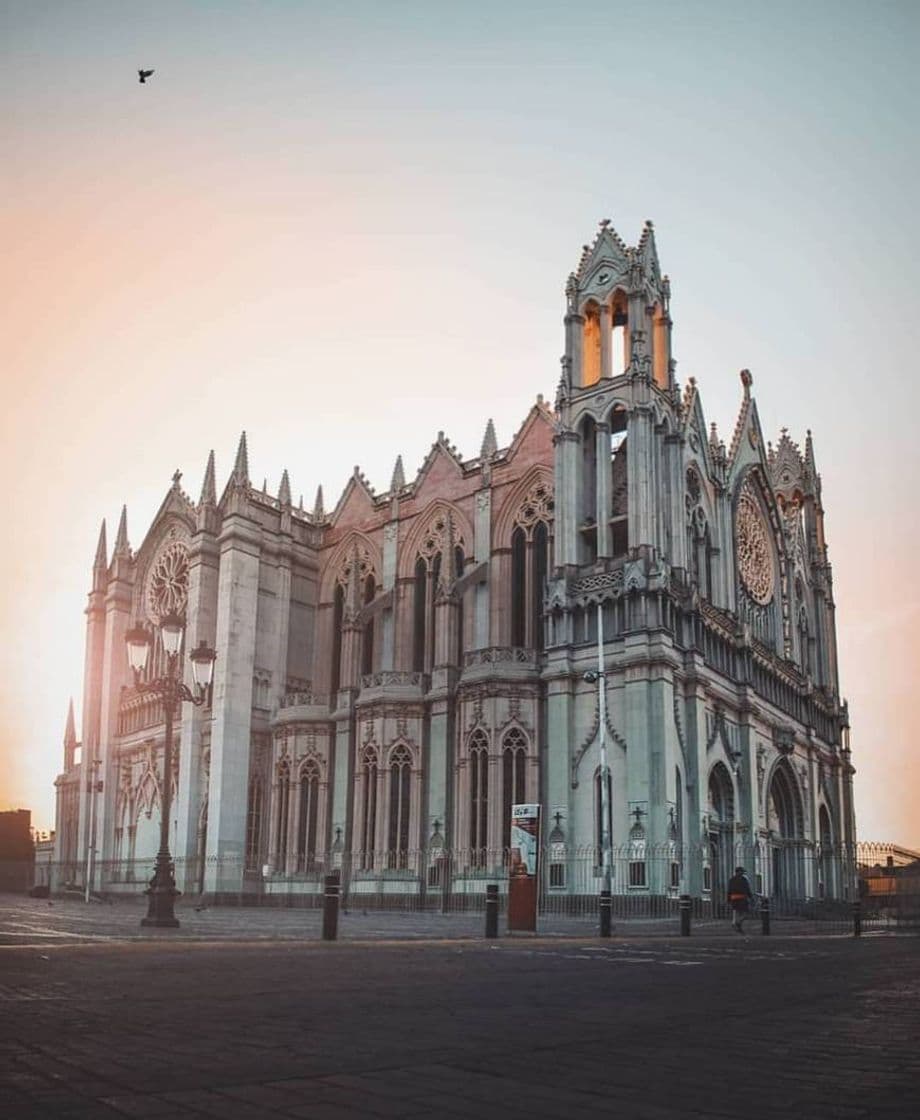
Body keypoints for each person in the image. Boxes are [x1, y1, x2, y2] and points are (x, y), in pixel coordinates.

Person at [727, 866, 754, 934]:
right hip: (742, 898)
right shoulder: (744, 879)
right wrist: (751, 897)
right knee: (746, 913)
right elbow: (747, 889)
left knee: (737, 911)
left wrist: (728, 899)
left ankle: (736, 923)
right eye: (742, 871)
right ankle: (738, 922)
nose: (743, 873)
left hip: (734, 898)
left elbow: (729, 890)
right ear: (738, 872)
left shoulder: (731, 879)